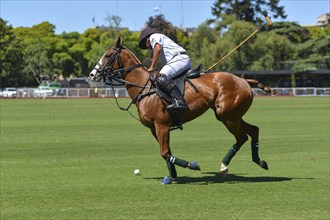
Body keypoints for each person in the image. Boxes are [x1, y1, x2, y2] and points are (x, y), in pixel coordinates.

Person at [139, 27, 192, 109]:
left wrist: (152, 66)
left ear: (147, 39)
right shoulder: (162, 47)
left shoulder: (154, 36)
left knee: (161, 77)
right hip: (179, 60)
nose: (147, 47)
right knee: (164, 81)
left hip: (179, 59)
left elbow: (158, 49)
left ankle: (180, 101)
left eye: (145, 44)